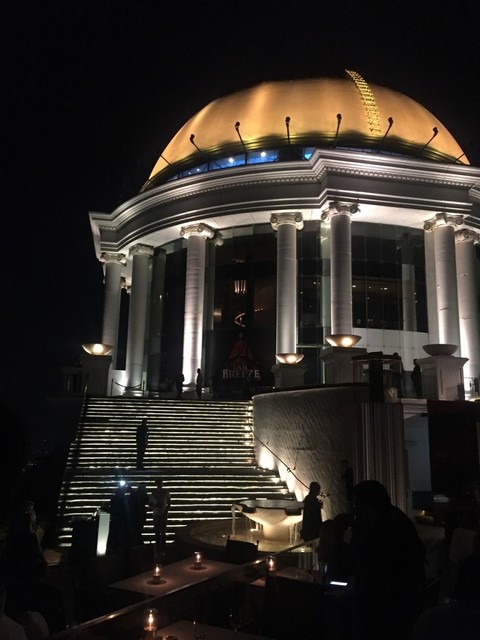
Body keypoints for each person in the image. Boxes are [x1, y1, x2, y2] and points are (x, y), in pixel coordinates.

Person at [349, 480, 426, 640]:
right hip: (401, 602)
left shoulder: (378, 528)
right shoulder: (397, 519)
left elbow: (369, 566)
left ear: (368, 506)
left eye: (357, 505)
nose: (355, 510)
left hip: (386, 605)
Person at [149, 479, 171, 549]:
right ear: (156, 484)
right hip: (156, 514)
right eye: (159, 484)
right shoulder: (153, 493)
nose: (160, 485)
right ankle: (158, 546)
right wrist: (155, 506)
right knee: (157, 531)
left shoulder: (166, 492)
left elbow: (169, 503)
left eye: (161, 483)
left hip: (163, 513)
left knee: (163, 531)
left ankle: (162, 546)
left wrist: (166, 511)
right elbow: (150, 503)